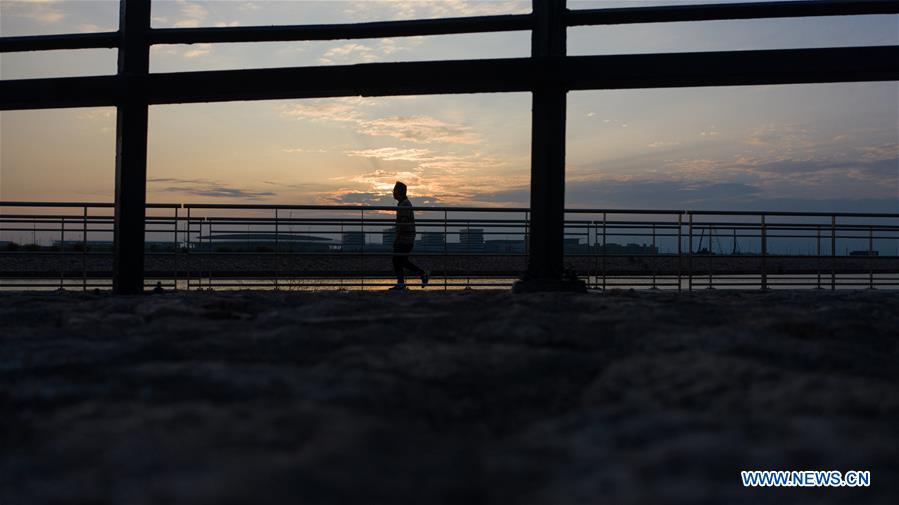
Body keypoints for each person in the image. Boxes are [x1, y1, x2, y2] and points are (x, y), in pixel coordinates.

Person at [390, 181, 429, 290]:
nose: (393, 192)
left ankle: (419, 275)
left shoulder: (405, 204)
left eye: (394, 190)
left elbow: (404, 223)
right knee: (399, 260)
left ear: (399, 192)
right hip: (406, 237)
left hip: (405, 238)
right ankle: (403, 282)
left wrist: (397, 238)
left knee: (398, 260)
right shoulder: (403, 203)